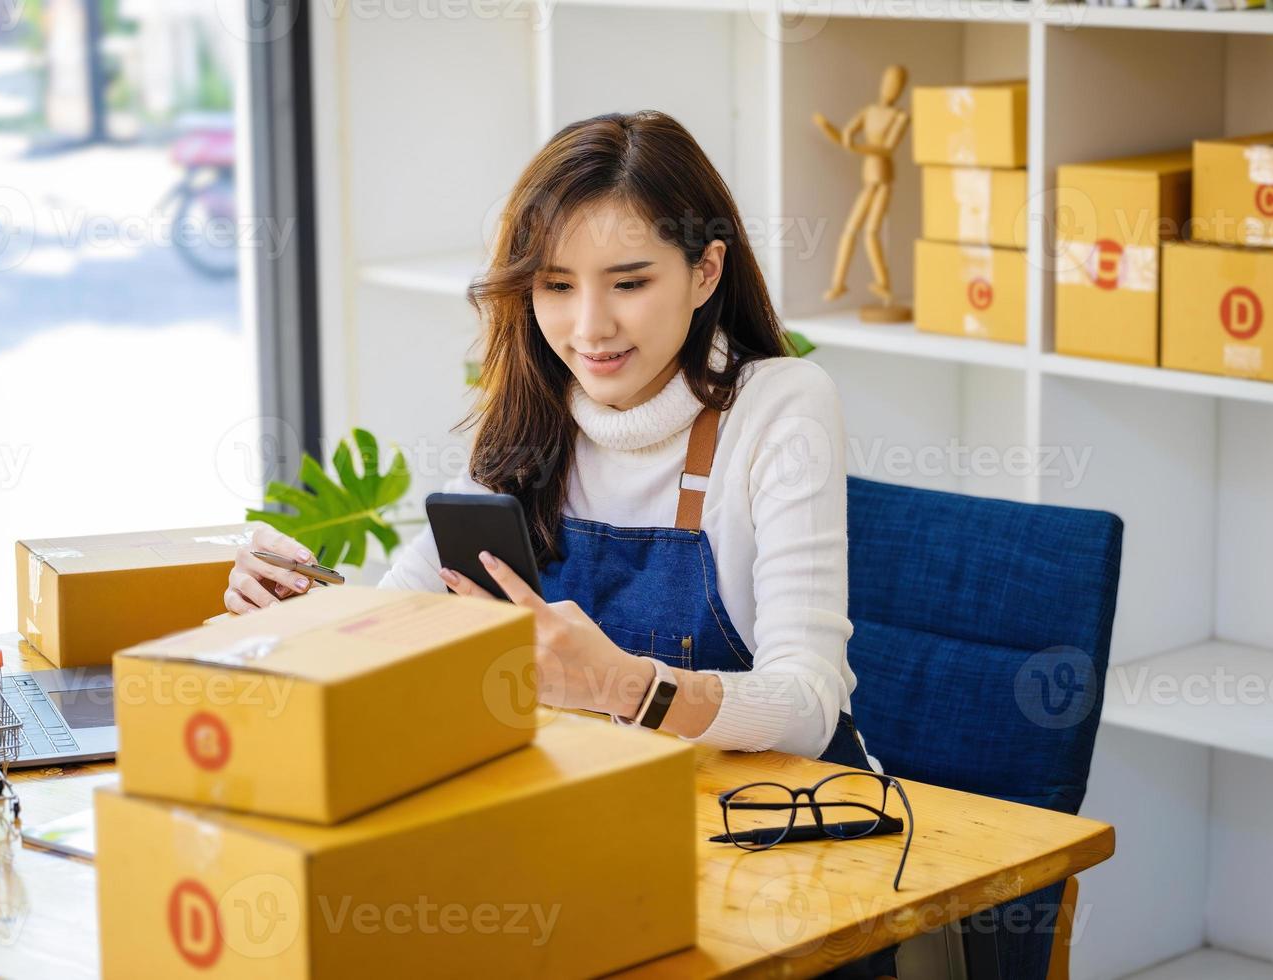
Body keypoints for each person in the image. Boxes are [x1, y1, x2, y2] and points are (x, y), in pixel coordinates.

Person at [226, 109, 875, 769]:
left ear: (705, 272)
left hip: (771, 826)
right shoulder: (531, 408)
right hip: (598, 806)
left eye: (629, 283)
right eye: (557, 286)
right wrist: (312, 606)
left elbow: (807, 708)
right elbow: (406, 614)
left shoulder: (780, 407)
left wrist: (622, 683)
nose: (590, 329)